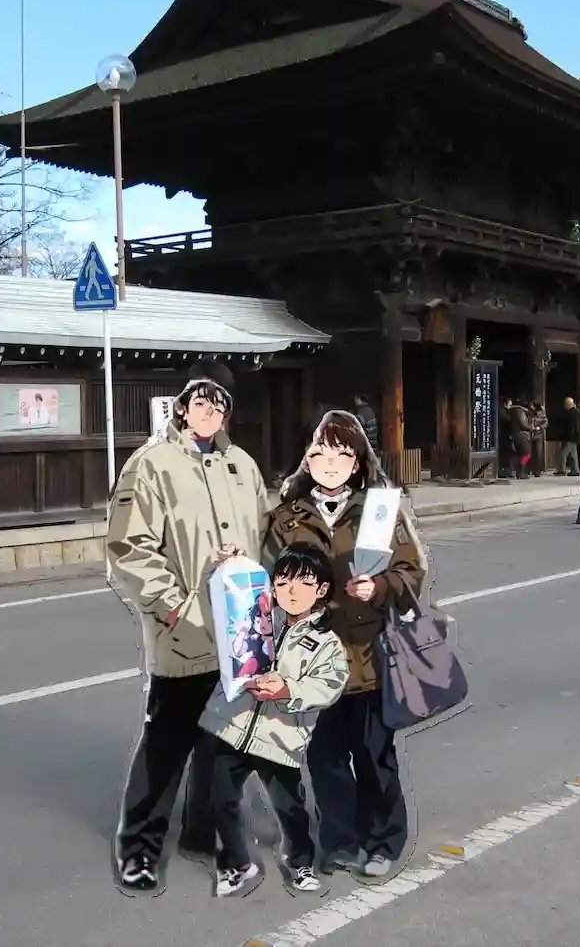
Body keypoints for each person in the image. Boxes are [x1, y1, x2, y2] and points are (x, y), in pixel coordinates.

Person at [107, 361, 274, 894]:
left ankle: (204, 833)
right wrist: (174, 606)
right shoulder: (151, 464)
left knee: (222, 742)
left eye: (219, 404)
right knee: (166, 745)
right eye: (200, 401)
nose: (209, 411)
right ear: (182, 406)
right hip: (184, 630)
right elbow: (129, 547)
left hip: (240, 632)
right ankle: (140, 848)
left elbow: (266, 536)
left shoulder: (242, 466)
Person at [266, 410, 427, 881]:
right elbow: (265, 578)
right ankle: (339, 841)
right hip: (312, 660)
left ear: (357, 460)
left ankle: (383, 841)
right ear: (306, 458)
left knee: (374, 756)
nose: (330, 461)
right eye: (320, 451)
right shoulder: (285, 518)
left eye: (342, 452)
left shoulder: (379, 511)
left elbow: (412, 572)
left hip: (370, 657)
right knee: (324, 757)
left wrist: (378, 587)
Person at [199, 543, 349, 898]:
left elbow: (329, 684)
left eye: (304, 583)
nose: (291, 591)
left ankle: (300, 863)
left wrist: (287, 689)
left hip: (280, 738)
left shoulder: (324, 641)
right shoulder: (257, 613)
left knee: (289, 807)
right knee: (219, 798)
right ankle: (237, 862)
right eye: (283, 582)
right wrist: (227, 568)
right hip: (233, 726)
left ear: (321, 590)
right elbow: (222, 604)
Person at [557, 397, 580, 477]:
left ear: (568, 404)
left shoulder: (570, 413)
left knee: (563, 453)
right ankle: (575, 470)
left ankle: (562, 470)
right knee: (573, 454)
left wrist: (567, 437)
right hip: (575, 436)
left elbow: (570, 427)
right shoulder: (576, 412)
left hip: (570, 437)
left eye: (565, 404)